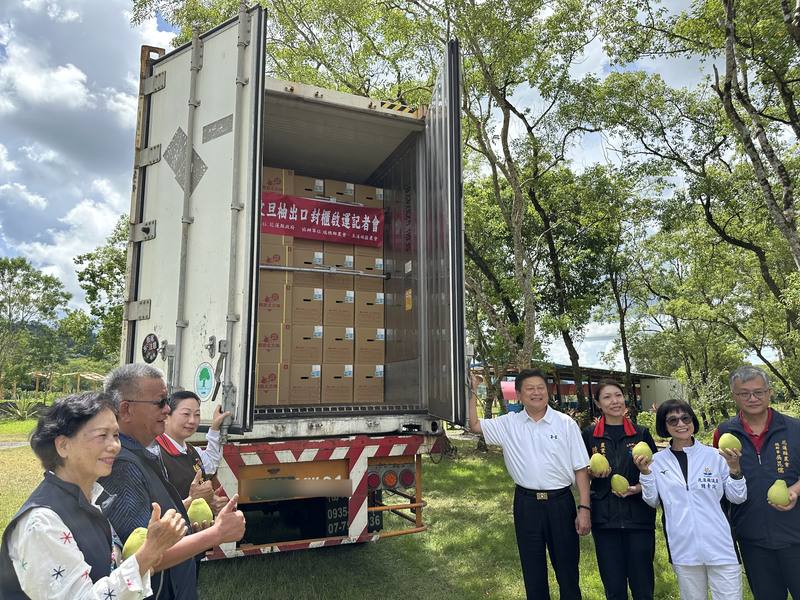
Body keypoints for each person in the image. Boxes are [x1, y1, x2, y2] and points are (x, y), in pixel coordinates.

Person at [0, 392, 186, 599]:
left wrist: (139, 562)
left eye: (115, 435)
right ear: (63, 445)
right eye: (101, 435)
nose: (115, 446)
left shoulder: (90, 501)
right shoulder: (41, 524)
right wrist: (148, 553)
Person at [99, 364, 246, 600]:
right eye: (160, 402)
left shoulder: (143, 454)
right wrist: (217, 534)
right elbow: (141, 557)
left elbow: (156, 526)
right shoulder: (123, 465)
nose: (167, 410)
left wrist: (187, 519)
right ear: (126, 410)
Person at [468, 369, 591, 600]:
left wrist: (584, 509)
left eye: (540, 388)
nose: (536, 393)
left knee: (567, 571)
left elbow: (580, 469)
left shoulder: (565, 423)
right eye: (530, 389)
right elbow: (474, 425)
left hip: (560, 503)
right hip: (526, 505)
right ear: (519, 395)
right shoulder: (509, 423)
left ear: (548, 391)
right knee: (532, 571)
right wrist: (473, 388)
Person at [635, 399, 746, 600]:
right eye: (673, 420)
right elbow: (652, 501)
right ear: (664, 426)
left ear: (693, 420)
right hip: (683, 548)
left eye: (685, 418)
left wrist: (735, 469)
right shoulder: (657, 461)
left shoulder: (715, 456)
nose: (681, 424)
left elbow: (737, 497)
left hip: (721, 546)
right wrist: (645, 473)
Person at [713, 365, 800, 599]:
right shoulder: (724, 432)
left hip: (795, 534)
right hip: (752, 536)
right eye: (744, 393)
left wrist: (795, 489)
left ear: (769, 393)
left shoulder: (794, 428)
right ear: (734, 396)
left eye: (759, 392)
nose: (752, 398)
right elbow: (716, 478)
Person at [582, 379, 657, 600]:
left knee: (643, 585)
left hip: (639, 518)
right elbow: (578, 473)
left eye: (617, 395)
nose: (614, 401)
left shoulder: (641, 433)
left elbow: (658, 474)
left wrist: (637, 488)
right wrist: (590, 472)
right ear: (598, 403)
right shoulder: (589, 435)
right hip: (604, 518)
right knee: (613, 586)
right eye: (607, 397)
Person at [151, 391, 230, 514]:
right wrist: (193, 499)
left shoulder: (192, 451)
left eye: (197, 414)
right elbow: (154, 508)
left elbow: (211, 464)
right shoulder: (154, 455)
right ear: (166, 416)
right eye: (186, 414)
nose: (192, 421)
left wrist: (210, 502)